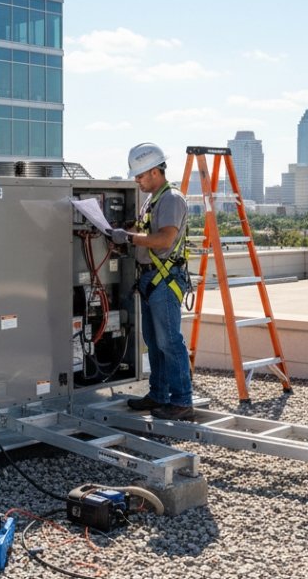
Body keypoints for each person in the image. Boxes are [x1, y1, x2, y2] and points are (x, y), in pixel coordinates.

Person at [110, 142, 194, 421]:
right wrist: (123, 231)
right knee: (154, 342)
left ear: (156, 172)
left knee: (170, 342)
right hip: (150, 280)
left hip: (164, 279)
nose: (136, 180)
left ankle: (181, 400)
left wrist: (130, 238)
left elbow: (164, 239)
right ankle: (159, 395)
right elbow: (146, 230)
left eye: (140, 176)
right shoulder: (153, 199)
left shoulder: (171, 199)